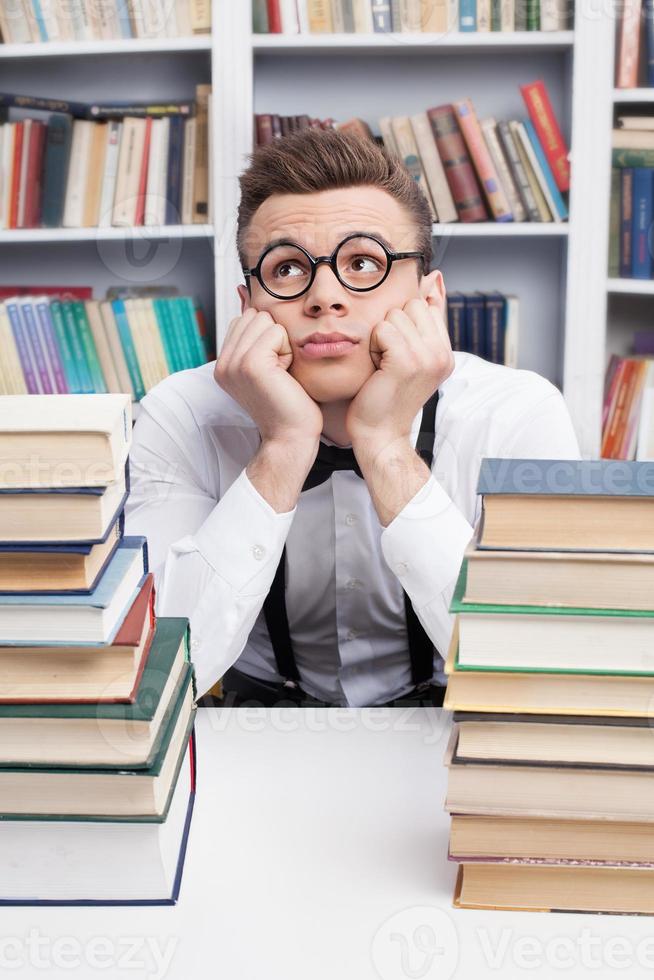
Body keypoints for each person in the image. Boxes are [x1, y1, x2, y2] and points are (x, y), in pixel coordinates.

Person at [124, 127, 581, 708]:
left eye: (363, 262)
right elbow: (153, 672)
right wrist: (284, 448)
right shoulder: (179, 414)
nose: (324, 296)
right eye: (287, 269)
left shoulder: (517, 412)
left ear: (429, 299)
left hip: (453, 721)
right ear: (248, 308)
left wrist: (387, 446)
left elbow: (533, 671)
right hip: (254, 724)